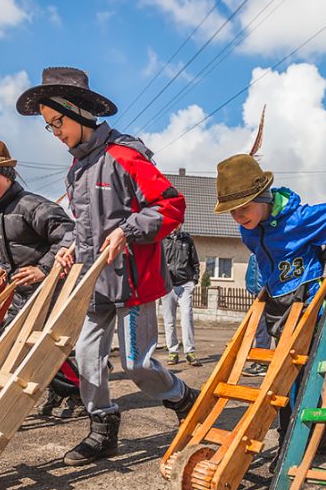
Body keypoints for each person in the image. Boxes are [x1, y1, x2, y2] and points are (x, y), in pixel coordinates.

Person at [16, 67, 199, 466]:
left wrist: (128, 231)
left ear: (79, 112)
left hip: (133, 282)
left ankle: (184, 399)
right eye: (49, 126)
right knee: (86, 358)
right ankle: (102, 427)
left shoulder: (126, 155)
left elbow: (170, 206)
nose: (55, 132)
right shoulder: (75, 170)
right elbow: (83, 226)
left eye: (57, 122)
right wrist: (68, 247)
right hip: (92, 283)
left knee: (137, 365)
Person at [215, 152, 326, 457]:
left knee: (289, 376)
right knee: (290, 375)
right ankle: (321, 438)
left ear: (264, 197)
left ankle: (290, 442)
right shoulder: (249, 229)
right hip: (278, 305)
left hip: (306, 303)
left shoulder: (299, 219)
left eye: (244, 208)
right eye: (232, 212)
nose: (239, 217)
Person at [0, 139, 84, 419]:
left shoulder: (32, 206)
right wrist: (2, 267)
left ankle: (79, 391)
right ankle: (60, 389)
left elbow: (70, 235)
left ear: (8, 174)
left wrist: (43, 269)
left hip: (50, 289)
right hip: (22, 291)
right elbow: (12, 250)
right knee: (14, 341)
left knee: (44, 346)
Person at [161, 227, 202, 367]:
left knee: (187, 316)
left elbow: (194, 262)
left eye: (178, 221)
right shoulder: (162, 240)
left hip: (185, 284)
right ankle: (173, 352)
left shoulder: (187, 240)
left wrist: (194, 281)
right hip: (167, 285)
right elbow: (155, 261)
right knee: (169, 320)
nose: (175, 225)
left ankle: (189, 351)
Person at [241, 253, 270, 377]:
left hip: (269, 291)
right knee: (261, 327)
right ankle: (262, 362)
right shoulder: (255, 248)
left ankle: (264, 363)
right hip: (259, 291)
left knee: (270, 328)